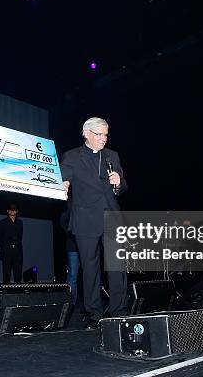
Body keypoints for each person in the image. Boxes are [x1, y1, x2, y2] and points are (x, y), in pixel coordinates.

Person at [60, 117, 128, 329]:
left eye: (106, 134)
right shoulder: (72, 156)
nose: (103, 139)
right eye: (99, 134)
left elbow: (122, 187)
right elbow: (65, 177)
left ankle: (119, 311)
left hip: (111, 217)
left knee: (118, 267)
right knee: (90, 269)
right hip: (85, 218)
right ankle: (94, 314)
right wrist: (63, 184)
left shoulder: (112, 156)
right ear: (86, 133)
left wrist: (119, 183)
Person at [0, 204, 23, 284]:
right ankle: (5, 294)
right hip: (6, 252)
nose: (12, 211)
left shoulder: (20, 223)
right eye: (10, 209)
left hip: (18, 252)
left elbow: (20, 237)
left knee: (18, 275)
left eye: (14, 209)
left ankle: (17, 294)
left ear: (17, 211)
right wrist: (7, 247)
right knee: (6, 274)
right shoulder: (2, 222)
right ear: (7, 211)